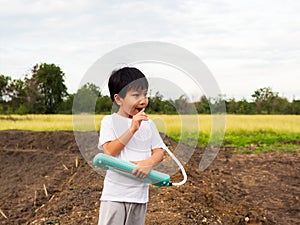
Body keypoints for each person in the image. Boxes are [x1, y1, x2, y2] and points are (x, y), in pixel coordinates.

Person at [97, 67, 167, 225]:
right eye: (136, 95)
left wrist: (148, 163)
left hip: (139, 196)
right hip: (114, 195)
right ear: (119, 99)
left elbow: (159, 152)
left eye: (145, 94)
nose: (143, 100)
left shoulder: (149, 124)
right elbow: (109, 151)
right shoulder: (109, 122)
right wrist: (132, 128)